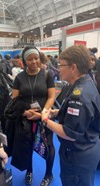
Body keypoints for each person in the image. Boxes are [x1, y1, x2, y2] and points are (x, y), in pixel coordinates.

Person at [41, 45, 100, 186]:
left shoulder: (79, 96)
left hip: (78, 154)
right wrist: (58, 112)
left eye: (61, 65)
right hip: (86, 148)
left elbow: (69, 133)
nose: (59, 69)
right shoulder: (85, 82)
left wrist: (45, 120)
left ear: (73, 67)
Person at [12, 46, 55, 186]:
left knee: (48, 145)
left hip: (44, 116)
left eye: (36, 58)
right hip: (27, 118)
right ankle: (29, 170)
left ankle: (49, 174)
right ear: (24, 61)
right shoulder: (19, 78)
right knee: (28, 145)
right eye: (30, 59)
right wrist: (25, 112)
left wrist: (43, 113)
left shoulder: (47, 75)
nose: (34, 61)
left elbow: (51, 97)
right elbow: (15, 101)